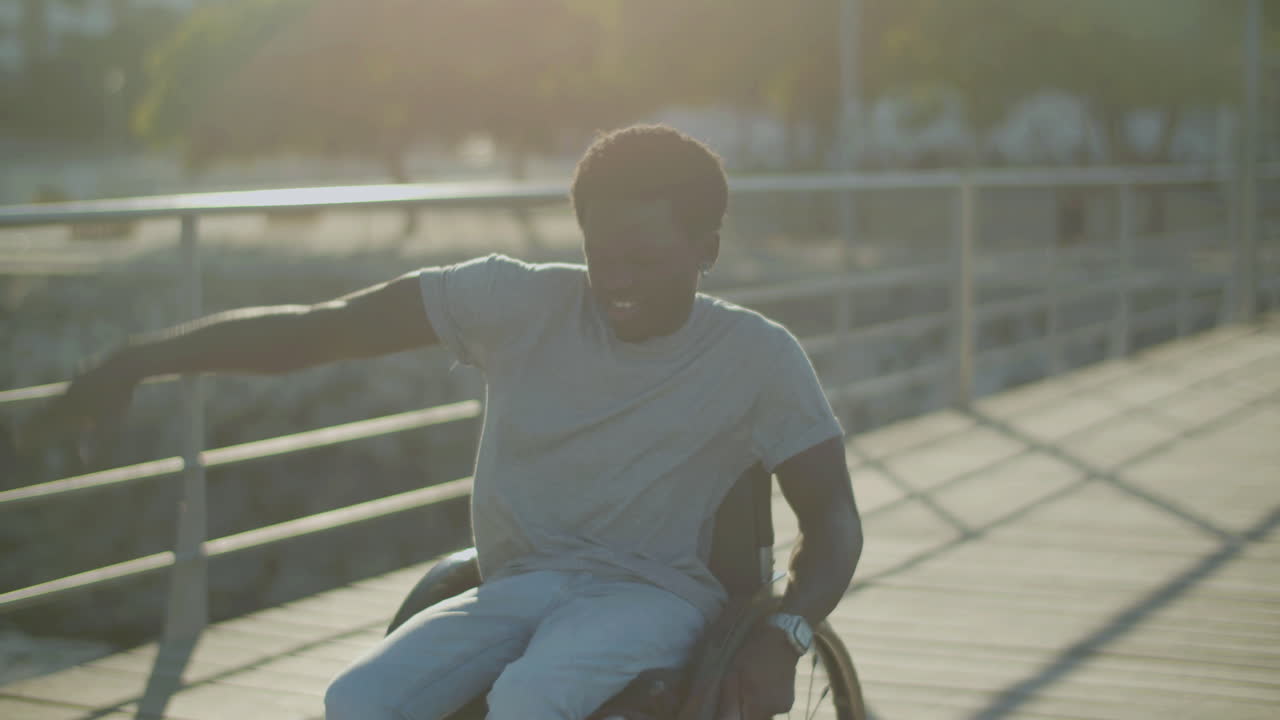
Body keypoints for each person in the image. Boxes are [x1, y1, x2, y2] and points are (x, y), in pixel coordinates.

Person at [29, 125, 863, 720]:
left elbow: (832, 520)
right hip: (522, 581)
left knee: (532, 698)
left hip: (655, 595)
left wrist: (786, 633)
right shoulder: (517, 301)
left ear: (707, 249)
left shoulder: (758, 357)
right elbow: (318, 331)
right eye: (601, 253)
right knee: (356, 701)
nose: (616, 280)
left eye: (645, 256)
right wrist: (135, 361)